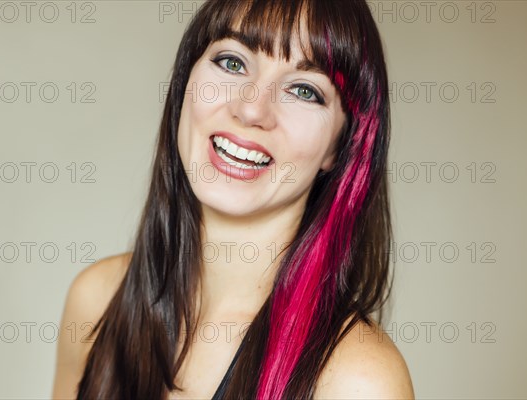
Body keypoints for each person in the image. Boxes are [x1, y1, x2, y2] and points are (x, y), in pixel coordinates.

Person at [52, 0, 415, 398]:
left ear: (340, 146)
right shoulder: (95, 300)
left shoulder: (359, 381)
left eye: (304, 90)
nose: (251, 109)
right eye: (233, 63)